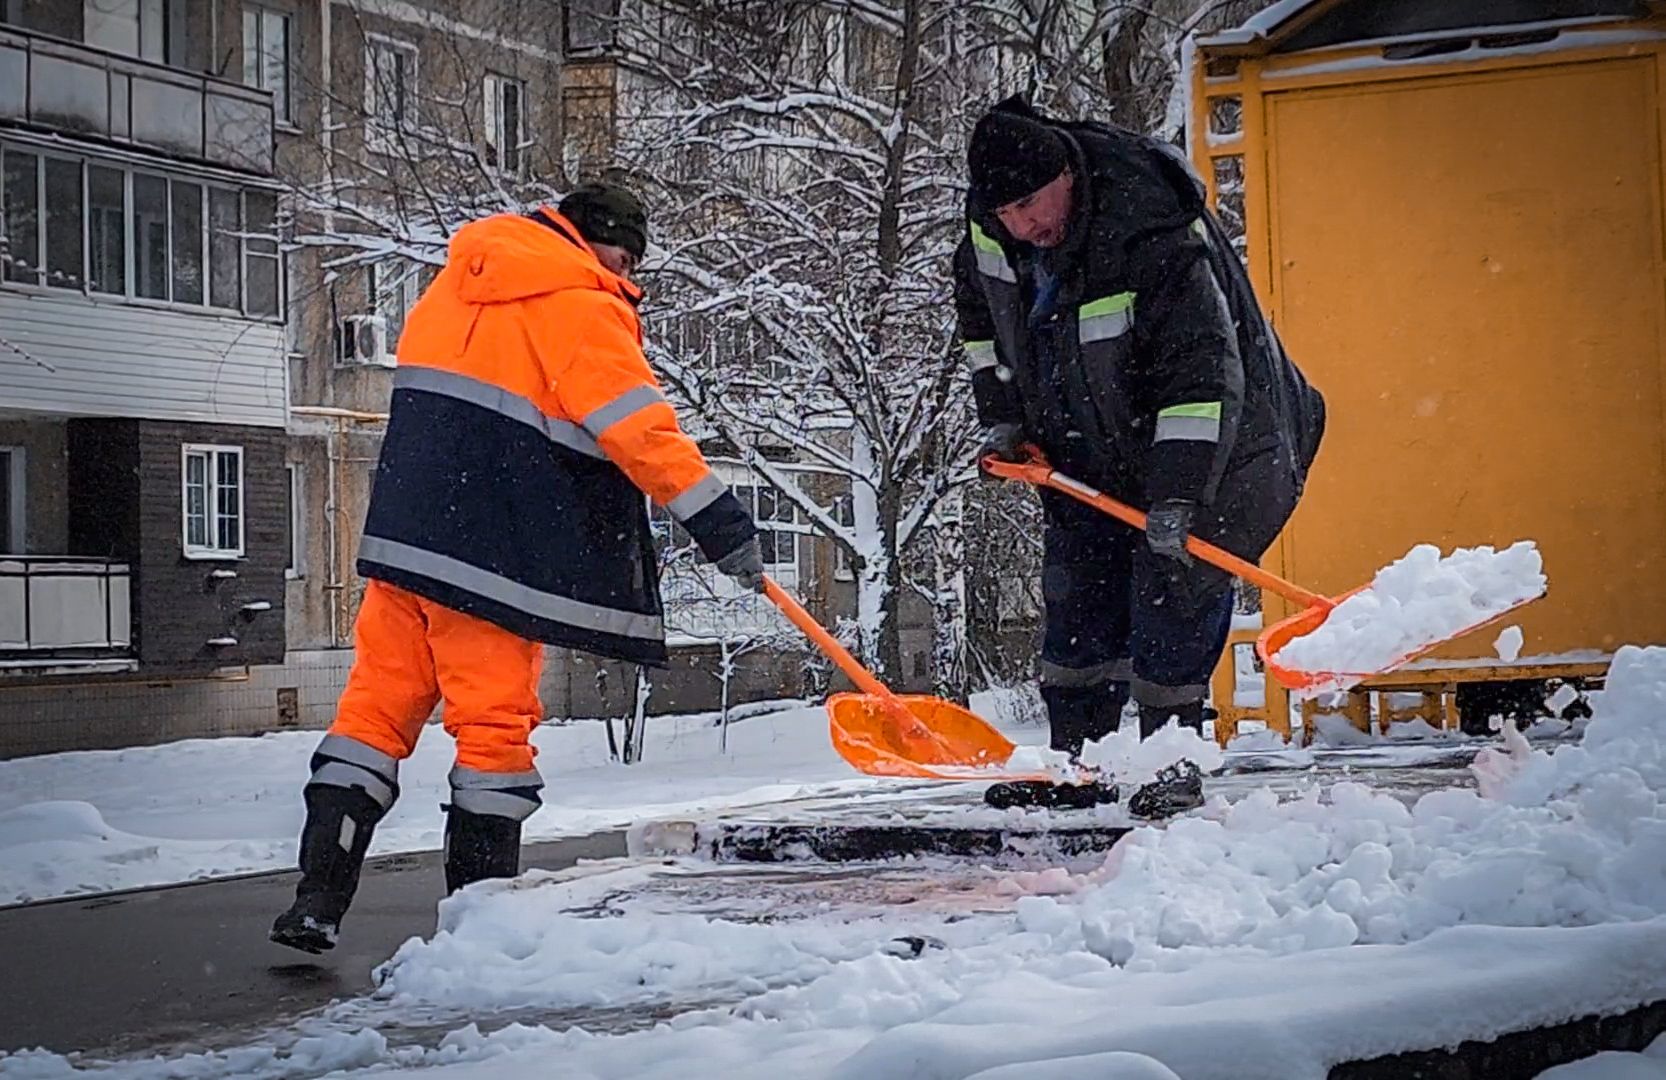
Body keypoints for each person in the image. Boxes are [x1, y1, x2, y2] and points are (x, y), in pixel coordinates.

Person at [270, 183, 765, 954]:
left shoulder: (455, 286)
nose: (628, 274)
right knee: (494, 732)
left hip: (405, 542)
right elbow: (639, 428)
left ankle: (317, 900)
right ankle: (477, 923)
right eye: (627, 256)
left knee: (370, 716)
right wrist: (719, 521)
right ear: (597, 239)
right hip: (490, 560)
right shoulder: (576, 302)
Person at [954, 97, 1326, 817]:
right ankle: (1078, 765)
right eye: (1008, 213)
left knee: (1172, 583)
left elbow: (1202, 367)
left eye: (1034, 203)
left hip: (1224, 439)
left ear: (1069, 172)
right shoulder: (991, 240)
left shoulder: (1148, 223)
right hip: (1086, 446)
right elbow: (984, 332)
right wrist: (1002, 420)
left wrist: (1179, 493)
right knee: (1077, 591)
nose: (1026, 225)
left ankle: (1171, 759)